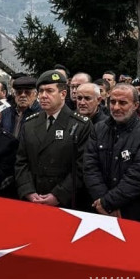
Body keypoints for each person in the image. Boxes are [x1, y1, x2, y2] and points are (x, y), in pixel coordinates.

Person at [83, 84, 140, 224]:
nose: (116, 107)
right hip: (99, 208)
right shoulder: (98, 129)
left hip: (133, 212)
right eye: (112, 102)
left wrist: (109, 202)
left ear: (136, 105)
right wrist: (103, 203)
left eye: (123, 103)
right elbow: (90, 167)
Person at [14, 70, 93, 209]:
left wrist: (58, 195)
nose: (43, 96)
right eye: (41, 91)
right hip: (34, 198)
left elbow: (82, 167)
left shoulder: (80, 125)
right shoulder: (30, 124)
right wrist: (28, 191)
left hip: (66, 202)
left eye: (50, 91)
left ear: (63, 94)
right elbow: (21, 161)